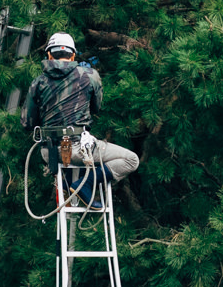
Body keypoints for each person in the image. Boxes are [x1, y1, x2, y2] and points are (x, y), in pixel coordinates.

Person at [22, 32, 138, 204]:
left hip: (51, 152)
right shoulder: (90, 75)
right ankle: (87, 183)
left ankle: (70, 185)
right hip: (79, 150)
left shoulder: (38, 82)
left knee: (74, 162)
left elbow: (27, 123)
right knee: (131, 160)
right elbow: (96, 108)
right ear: (73, 55)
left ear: (49, 54)